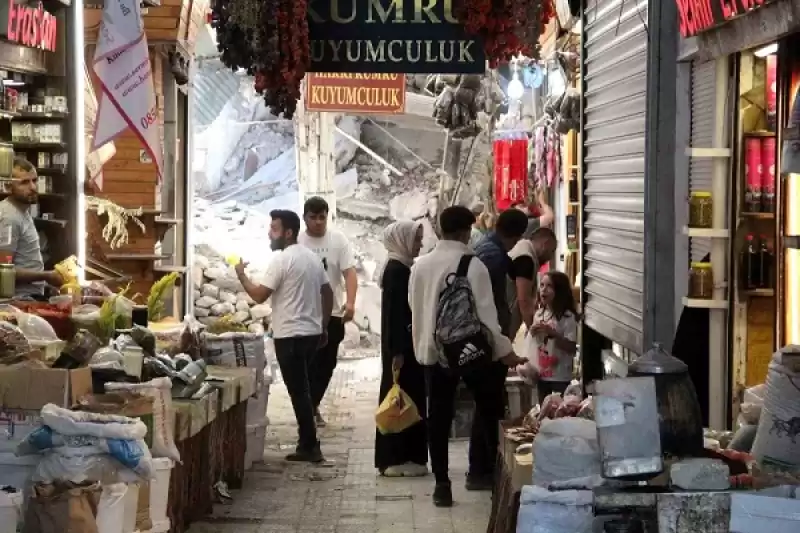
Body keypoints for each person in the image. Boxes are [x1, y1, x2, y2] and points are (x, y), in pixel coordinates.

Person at [409, 205, 526, 508]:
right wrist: (505, 351)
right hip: (470, 352)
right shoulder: (472, 264)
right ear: (465, 231)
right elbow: (487, 317)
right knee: (489, 412)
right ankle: (500, 482)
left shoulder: (419, 265)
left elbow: (416, 307)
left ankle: (442, 485)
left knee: (438, 417)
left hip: (432, 353)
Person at [235, 209, 333, 463]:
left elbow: (259, 295)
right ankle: (307, 442)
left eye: (275, 228)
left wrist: (241, 275)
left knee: (299, 391)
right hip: (311, 334)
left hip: (290, 335)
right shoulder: (311, 258)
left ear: (288, 233)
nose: (270, 233)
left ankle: (310, 445)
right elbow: (327, 291)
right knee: (304, 388)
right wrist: (323, 325)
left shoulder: (282, 260)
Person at [374, 221, 428, 477]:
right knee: (401, 402)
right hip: (402, 351)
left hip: (402, 349)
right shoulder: (397, 271)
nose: (420, 245)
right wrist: (398, 352)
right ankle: (397, 457)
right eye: (416, 239)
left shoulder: (399, 267)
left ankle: (401, 456)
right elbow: (397, 316)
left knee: (401, 400)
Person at [299, 196, 358, 427]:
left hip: (331, 313)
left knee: (327, 364)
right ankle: (308, 409)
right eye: (313, 217)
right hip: (302, 314)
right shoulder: (297, 240)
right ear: (305, 218)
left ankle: (312, 405)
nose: (318, 222)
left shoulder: (338, 240)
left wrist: (351, 303)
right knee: (306, 364)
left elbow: (349, 273)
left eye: (322, 217)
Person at [0, 158, 63, 299]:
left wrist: (45, 286)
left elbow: (25, 262)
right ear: (8, 186)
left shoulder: (22, 211)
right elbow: (4, 270)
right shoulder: (8, 218)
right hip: (17, 302)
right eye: (24, 182)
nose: (33, 187)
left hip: (31, 296)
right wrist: (46, 276)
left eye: (34, 180)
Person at [518, 271, 579, 404]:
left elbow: (572, 348)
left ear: (559, 291)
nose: (543, 290)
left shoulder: (567, 317)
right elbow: (535, 343)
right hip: (541, 376)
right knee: (543, 412)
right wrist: (532, 332)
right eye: (542, 285)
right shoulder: (539, 314)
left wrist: (553, 334)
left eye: (549, 286)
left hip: (560, 378)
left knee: (560, 411)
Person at [508, 227, 558, 335]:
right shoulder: (526, 259)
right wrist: (534, 332)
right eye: (552, 251)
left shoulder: (522, 248)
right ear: (545, 244)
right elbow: (524, 301)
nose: (550, 257)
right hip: (504, 321)